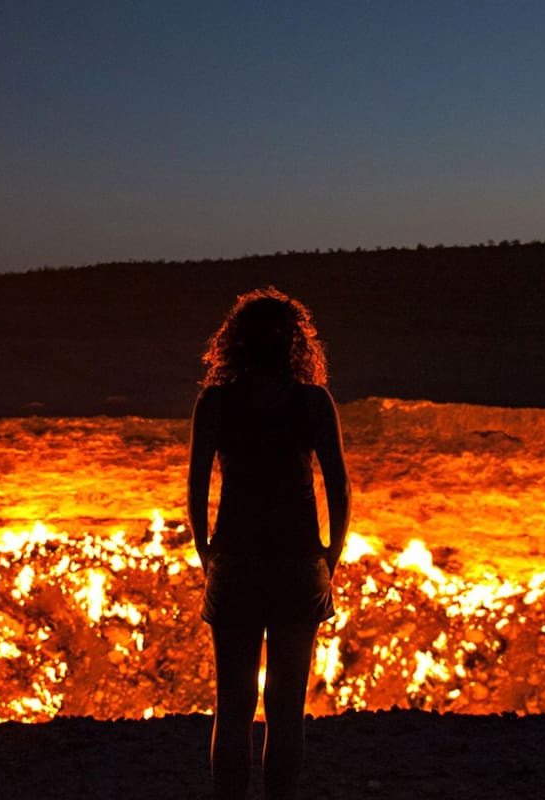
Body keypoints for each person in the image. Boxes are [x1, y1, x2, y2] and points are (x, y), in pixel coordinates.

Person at [188, 287, 351, 800]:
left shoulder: (216, 401)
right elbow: (339, 485)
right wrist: (330, 556)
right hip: (297, 564)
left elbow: (195, 488)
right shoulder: (312, 401)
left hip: (234, 562)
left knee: (232, 707)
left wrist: (206, 553)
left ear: (234, 342)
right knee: (286, 708)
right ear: (295, 343)